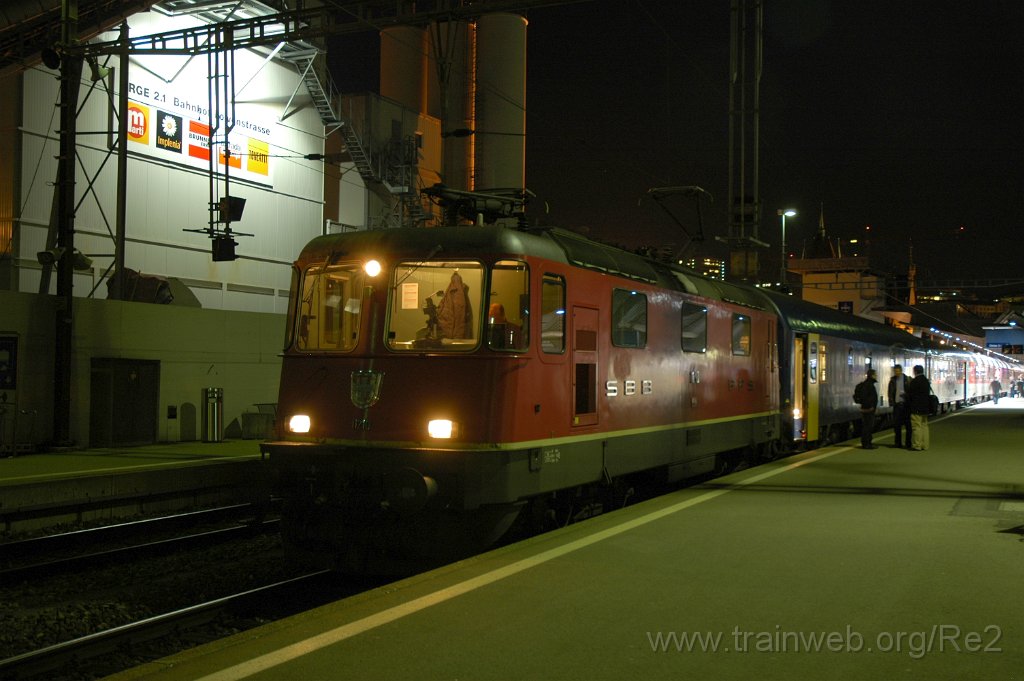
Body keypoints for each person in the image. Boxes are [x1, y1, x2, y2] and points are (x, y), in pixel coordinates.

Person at [906, 365, 932, 451]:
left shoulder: (915, 381)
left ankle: (917, 445)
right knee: (924, 426)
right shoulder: (926, 381)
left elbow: (911, 394)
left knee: (916, 426)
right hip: (925, 407)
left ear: (915, 371)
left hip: (916, 407)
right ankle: (925, 445)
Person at [887, 364, 912, 449]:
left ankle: (908, 443)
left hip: (906, 405)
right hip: (897, 405)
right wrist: (891, 402)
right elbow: (890, 392)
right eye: (895, 371)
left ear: (901, 371)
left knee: (908, 425)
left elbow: (911, 391)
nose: (896, 373)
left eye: (898, 371)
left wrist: (907, 396)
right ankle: (898, 443)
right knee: (897, 425)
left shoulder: (907, 379)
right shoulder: (892, 380)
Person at [854, 368, 879, 449]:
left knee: (866, 426)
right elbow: (869, 397)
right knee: (868, 427)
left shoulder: (866, 384)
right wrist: (871, 406)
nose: (876, 376)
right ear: (872, 375)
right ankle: (867, 444)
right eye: (875, 375)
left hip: (865, 408)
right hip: (869, 409)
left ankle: (867, 443)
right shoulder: (869, 385)